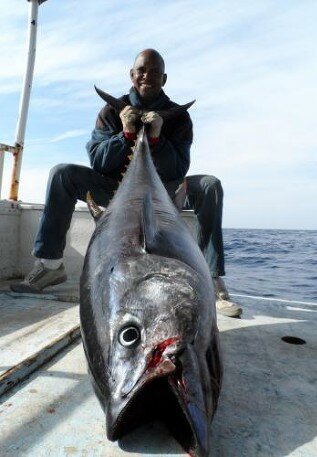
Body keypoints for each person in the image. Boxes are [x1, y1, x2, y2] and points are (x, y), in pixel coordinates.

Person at [10, 49, 242, 318]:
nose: (147, 76)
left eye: (155, 72)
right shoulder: (111, 110)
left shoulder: (178, 117)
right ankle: (50, 266)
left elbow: (179, 168)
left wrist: (157, 137)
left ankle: (212, 282)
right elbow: (98, 161)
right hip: (115, 190)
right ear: (132, 75)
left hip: (163, 192)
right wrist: (126, 134)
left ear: (164, 79)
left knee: (210, 185)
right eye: (142, 70)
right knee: (62, 173)